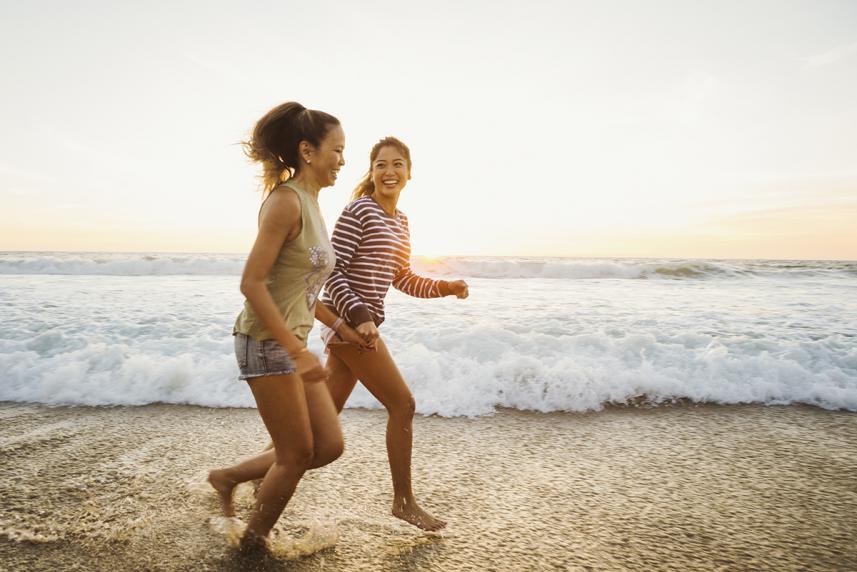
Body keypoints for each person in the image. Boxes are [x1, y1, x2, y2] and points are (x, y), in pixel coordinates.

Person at [207, 102, 369, 552]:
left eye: (344, 151)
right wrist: (297, 353)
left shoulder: (314, 205)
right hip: (264, 342)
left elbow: (304, 289)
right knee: (296, 453)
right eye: (337, 150)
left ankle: (229, 477)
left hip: (293, 342)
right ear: (307, 151)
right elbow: (252, 284)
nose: (342, 160)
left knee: (329, 445)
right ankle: (253, 543)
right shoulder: (284, 202)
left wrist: (343, 328)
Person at [321, 136, 469, 531]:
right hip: (348, 325)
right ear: (370, 172)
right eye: (381, 164)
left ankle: (247, 475)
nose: (389, 171)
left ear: (409, 173)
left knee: (318, 425)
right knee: (402, 404)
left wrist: (444, 287)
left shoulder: (401, 222)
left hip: (361, 327)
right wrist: (359, 315)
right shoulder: (358, 211)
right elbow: (331, 272)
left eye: (397, 164)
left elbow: (402, 277)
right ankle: (403, 502)